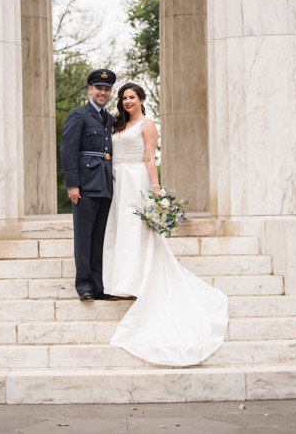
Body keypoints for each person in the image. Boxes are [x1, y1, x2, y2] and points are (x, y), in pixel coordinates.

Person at [101, 81, 229, 366]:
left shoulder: (147, 125)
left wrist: (156, 188)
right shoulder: (117, 126)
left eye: (131, 97)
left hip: (136, 179)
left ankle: (138, 281)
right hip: (116, 180)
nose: (126, 102)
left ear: (141, 98)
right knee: (119, 230)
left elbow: (149, 157)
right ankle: (118, 281)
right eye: (123, 98)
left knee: (136, 231)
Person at [60, 68, 117, 302]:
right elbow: (67, 149)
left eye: (107, 89)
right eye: (99, 88)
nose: (103, 92)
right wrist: (72, 184)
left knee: (100, 238)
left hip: (104, 185)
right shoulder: (78, 115)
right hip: (85, 185)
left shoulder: (109, 118)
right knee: (84, 237)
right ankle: (83, 284)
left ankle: (98, 285)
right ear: (90, 89)